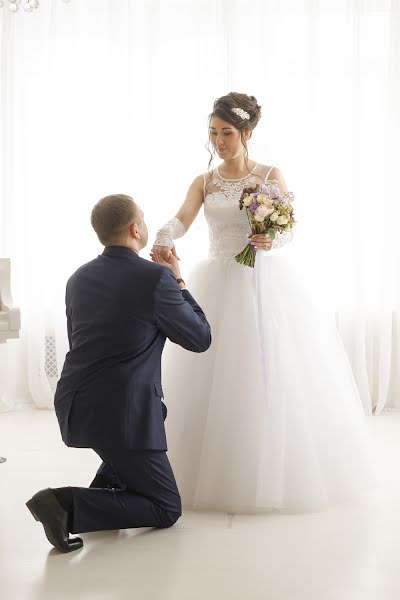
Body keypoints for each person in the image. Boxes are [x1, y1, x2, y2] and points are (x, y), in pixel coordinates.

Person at [151, 92, 373, 513]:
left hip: (260, 284)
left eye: (227, 133)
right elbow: (182, 218)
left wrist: (272, 238)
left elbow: (289, 228)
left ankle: (264, 468)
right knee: (213, 372)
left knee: (265, 371)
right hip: (217, 278)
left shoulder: (270, 174)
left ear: (247, 133)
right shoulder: (205, 181)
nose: (219, 141)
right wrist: (163, 235)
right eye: (213, 133)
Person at [26, 194, 211, 552]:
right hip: (122, 415)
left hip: (74, 404)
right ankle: (63, 505)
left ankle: (102, 494)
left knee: (129, 452)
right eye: (142, 218)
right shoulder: (156, 279)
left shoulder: (77, 278)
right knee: (166, 506)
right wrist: (178, 279)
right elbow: (200, 337)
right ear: (134, 228)